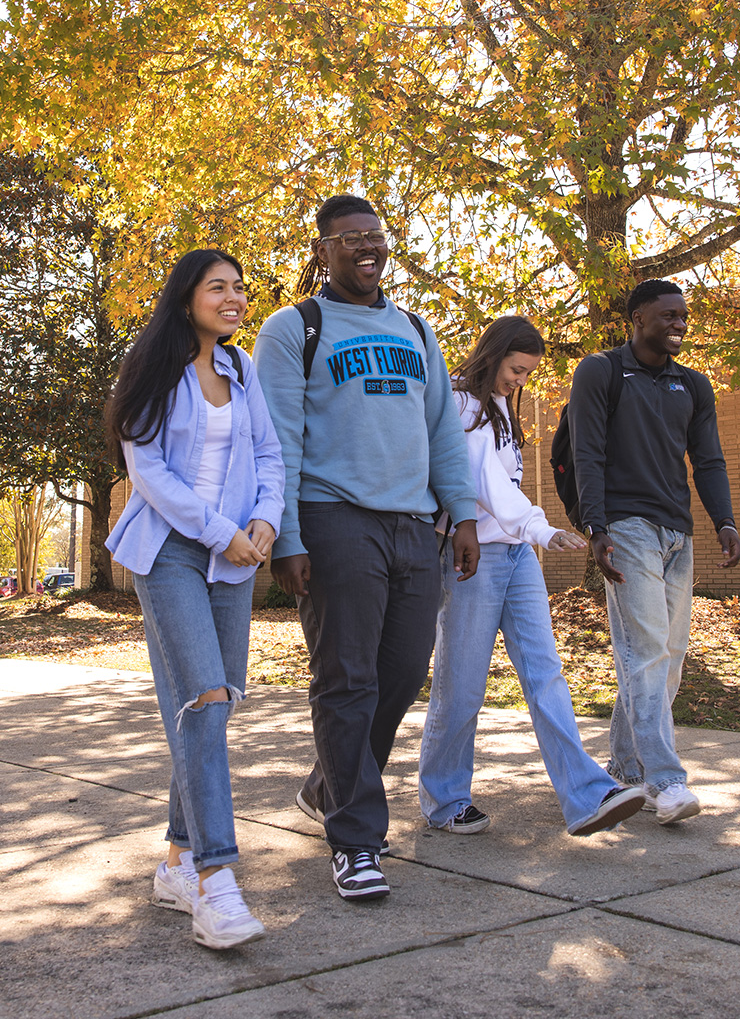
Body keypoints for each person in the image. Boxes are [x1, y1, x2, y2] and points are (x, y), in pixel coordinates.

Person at [253, 194, 479, 903]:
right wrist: (286, 536)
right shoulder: (294, 329)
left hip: (415, 525)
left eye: (374, 237)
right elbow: (277, 442)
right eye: (348, 239)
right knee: (346, 678)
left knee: (405, 670)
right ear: (321, 251)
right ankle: (355, 839)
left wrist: (463, 513)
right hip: (334, 519)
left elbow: (443, 430)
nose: (365, 248)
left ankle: (328, 786)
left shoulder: (416, 328)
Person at [105, 248, 284, 948]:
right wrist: (219, 532)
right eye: (219, 287)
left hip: (235, 554)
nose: (235, 296)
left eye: (239, 287)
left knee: (215, 704)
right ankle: (217, 881)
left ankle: (177, 860)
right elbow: (146, 471)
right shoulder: (152, 368)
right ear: (187, 299)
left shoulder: (242, 371)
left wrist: (265, 519)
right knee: (204, 697)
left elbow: (269, 455)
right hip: (172, 551)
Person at [419, 317, 645, 837]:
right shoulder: (459, 402)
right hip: (472, 558)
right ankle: (444, 798)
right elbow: (480, 480)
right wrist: (540, 528)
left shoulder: (499, 405)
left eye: (527, 374)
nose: (519, 381)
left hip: (517, 555)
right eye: (516, 369)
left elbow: (505, 484)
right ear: (493, 354)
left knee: (546, 675)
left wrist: (533, 533)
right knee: (462, 684)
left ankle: (587, 795)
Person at [569, 279, 740, 824]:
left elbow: (708, 460)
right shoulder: (600, 371)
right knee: (646, 652)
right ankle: (666, 782)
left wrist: (725, 520)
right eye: (668, 315)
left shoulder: (692, 384)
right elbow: (585, 453)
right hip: (626, 527)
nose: (679, 324)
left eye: (683, 317)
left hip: (677, 533)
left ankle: (624, 770)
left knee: (668, 659)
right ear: (637, 317)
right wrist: (596, 526)